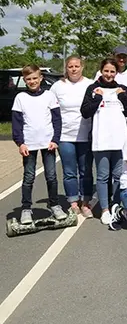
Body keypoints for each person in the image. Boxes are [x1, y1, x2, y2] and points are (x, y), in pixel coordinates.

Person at [81, 58, 127, 225]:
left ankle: (116, 206)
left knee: (118, 176)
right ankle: (104, 209)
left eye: (112, 71)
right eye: (106, 71)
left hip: (120, 140)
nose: (109, 74)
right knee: (103, 177)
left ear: (116, 73)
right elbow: (85, 112)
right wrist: (97, 99)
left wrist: (124, 97)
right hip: (101, 140)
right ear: (101, 71)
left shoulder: (122, 89)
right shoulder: (92, 89)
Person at [11, 65, 64, 225]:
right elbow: (17, 123)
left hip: (48, 143)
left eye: (35, 78)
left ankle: (54, 205)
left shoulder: (49, 96)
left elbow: (57, 120)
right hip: (29, 144)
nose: (32, 81)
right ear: (25, 81)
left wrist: (55, 139)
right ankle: (26, 209)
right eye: (29, 79)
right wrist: (20, 143)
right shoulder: (21, 97)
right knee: (29, 177)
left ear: (41, 78)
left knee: (51, 176)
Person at [50, 56, 94, 217]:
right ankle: (73, 202)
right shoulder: (57, 86)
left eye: (76, 66)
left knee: (86, 171)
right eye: (70, 66)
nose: (74, 69)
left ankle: (86, 202)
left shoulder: (89, 84)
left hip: (85, 135)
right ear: (66, 68)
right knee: (69, 171)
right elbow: (50, 110)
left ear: (82, 67)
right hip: (65, 136)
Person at [95, 45, 127, 134]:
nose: (121, 60)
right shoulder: (100, 74)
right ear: (113, 56)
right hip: (105, 122)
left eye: (124, 57)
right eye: (119, 57)